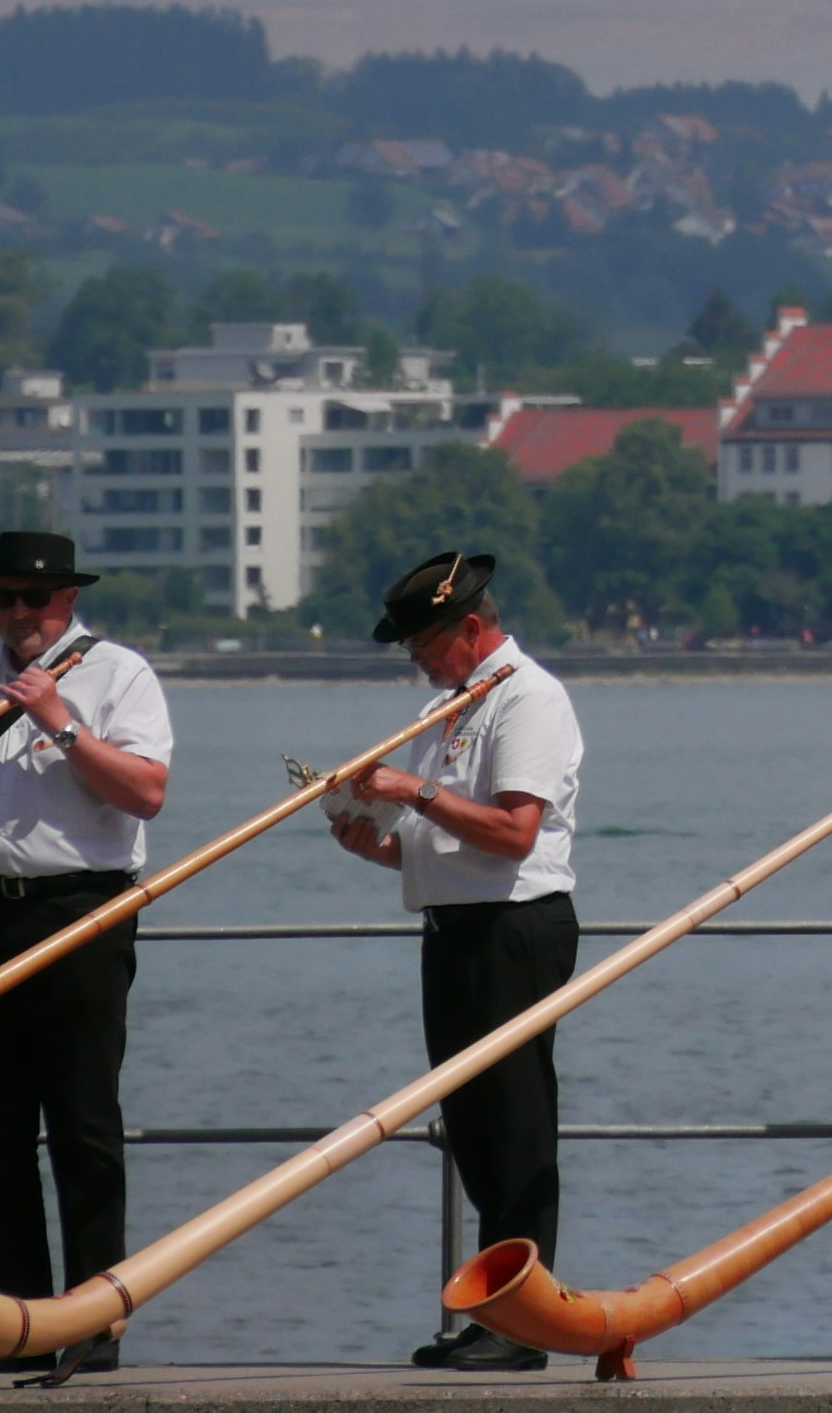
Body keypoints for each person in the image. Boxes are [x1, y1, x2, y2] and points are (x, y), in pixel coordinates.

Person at [0, 531, 172, 1380]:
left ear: (68, 601)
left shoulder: (120, 673)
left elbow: (147, 791)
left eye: (33, 599)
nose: (17, 613)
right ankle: (16, 1318)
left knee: (84, 1125)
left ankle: (92, 1321)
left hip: (80, 909)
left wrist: (61, 722)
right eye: (4, 597)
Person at [324, 551, 586, 1373]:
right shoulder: (454, 704)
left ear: (471, 628)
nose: (417, 661)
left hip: (514, 929)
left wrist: (411, 791)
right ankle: (495, 1305)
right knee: (472, 1129)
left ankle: (525, 1318)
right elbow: (449, 845)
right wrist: (378, 843)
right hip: (456, 926)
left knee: (514, 1127)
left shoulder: (529, 698)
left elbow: (514, 832)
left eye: (425, 644)